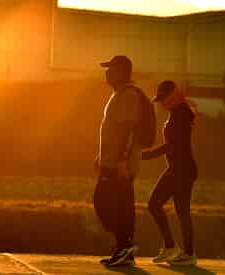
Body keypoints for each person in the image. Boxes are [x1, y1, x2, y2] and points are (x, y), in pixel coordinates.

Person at [93, 56, 155, 267]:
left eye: (111, 68)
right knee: (113, 203)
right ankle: (124, 248)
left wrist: (121, 160)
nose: (107, 72)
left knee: (108, 202)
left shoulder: (128, 95)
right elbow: (113, 129)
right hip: (112, 159)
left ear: (121, 72)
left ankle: (125, 245)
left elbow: (128, 129)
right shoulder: (119, 94)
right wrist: (101, 156)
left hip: (120, 162)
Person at [142, 80, 198, 266]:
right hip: (181, 168)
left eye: (164, 99)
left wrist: (145, 155)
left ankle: (173, 247)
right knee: (181, 211)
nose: (162, 103)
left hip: (181, 169)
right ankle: (185, 253)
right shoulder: (178, 112)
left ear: (173, 96)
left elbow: (172, 145)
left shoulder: (181, 114)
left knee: (154, 204)